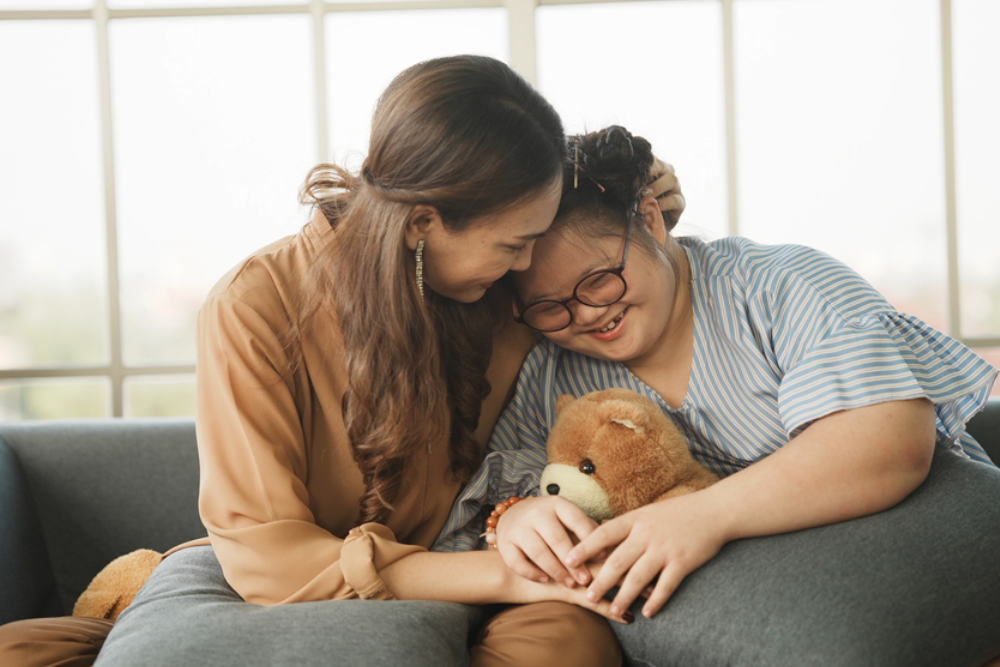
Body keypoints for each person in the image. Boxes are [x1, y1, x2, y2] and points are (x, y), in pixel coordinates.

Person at [0, 59, 686, 667]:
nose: (530, 267)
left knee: (566, 646)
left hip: (476, 560)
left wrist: (610, 185)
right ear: (422, 222)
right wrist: (502, 575)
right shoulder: (254, 307)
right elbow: (271, 559)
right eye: (514, 244)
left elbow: (630, 239)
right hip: (322, 584)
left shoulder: (499, 286)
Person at [435, 125, 1000, 667]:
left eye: (599, 280)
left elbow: (888, 441)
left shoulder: (780, 285)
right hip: (769, 596)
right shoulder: (553, 371)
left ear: (651, 222)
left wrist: (706, 516)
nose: (587, 314)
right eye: (550, 307)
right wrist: (515, 518)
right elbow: (500, 492)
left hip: (908, 537)